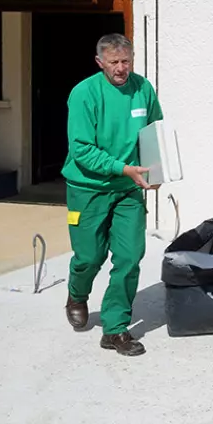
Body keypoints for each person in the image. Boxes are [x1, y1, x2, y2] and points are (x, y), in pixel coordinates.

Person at [62, 33, 162, 357]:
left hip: (128, 189)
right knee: (89, 257)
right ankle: (77, 294)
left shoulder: (142, 88)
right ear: (99, 62)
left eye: (126, 61)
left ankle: (115, 328)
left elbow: (154, 132)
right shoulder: (84, 94)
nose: (121, 68)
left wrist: (156, 172)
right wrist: (123, 169)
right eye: (114, 62)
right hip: (88, 189)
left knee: (130, 257)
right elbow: (81, 150)